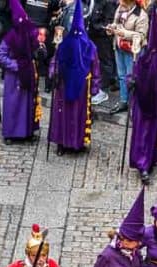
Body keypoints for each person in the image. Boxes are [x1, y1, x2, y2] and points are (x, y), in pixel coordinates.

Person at [48, 0, 101, 155]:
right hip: (64, 85)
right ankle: (61, 142)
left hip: (82, 88)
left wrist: (95, 87)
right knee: (62, 114)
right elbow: (55, 61)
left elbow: (95, 66)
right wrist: (53, 73)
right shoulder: (63, 44)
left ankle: (77, 142)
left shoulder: (90, 46)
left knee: (79, 115)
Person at [128, 10, 157, 183]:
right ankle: (142, 165)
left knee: (153, 134)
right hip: (143, 104)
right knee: (142, 136)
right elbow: (133, 75)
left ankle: (150, 160)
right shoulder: (142, 60)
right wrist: (132, 82)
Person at [0, 0, 44, 143]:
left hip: (28, 73)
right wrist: (16, 65)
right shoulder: (10, 37)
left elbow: (37, 49)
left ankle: (26, 132)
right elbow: (1, 56)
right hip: (14, 76)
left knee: (27, 105)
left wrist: (41, 50)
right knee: (13, 104)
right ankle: (10, 133)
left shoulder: (31, 33)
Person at [105, 0, 148, 114]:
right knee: (122, 76)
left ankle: (134, 105)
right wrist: (111, 28)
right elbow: (116, 23)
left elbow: (141, 35)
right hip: (119, 47)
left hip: (132, 52)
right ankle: (124, 101)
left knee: (133, 79)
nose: (119, 2)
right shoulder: (120, 8)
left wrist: (124, 33)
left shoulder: (141, 14)